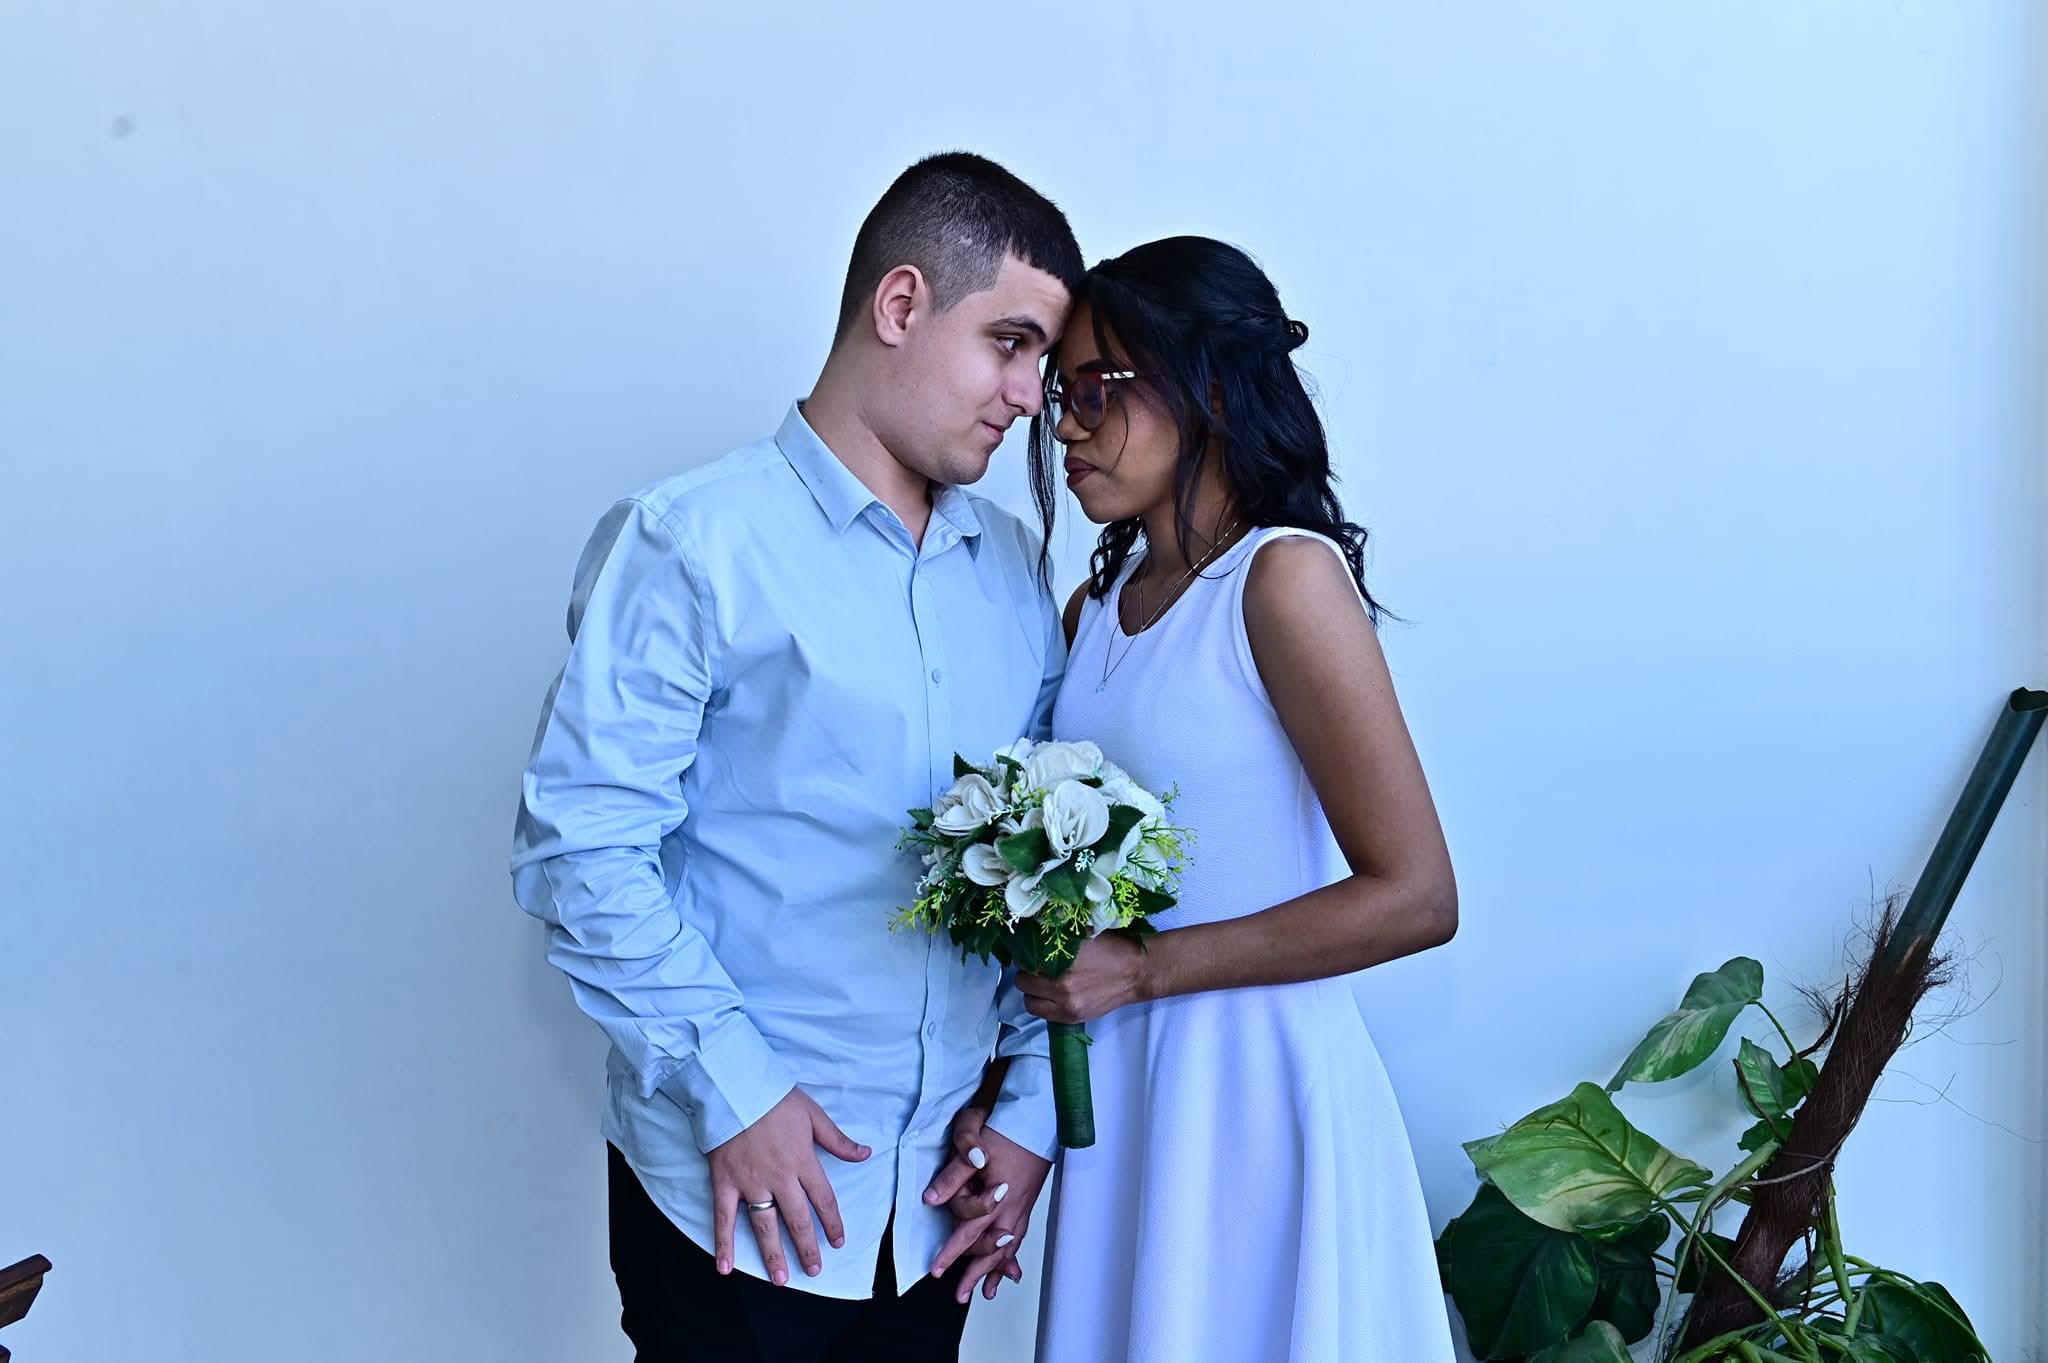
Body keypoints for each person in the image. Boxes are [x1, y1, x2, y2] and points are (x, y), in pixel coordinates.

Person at [510, 152, 1081, 1362]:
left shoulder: (1014, 572)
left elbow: (1051, 866)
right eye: (1011, 344)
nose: (1031, 395)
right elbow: (581, 851)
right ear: (900, 304)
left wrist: (1029, 1111)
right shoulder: (690, 542)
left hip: (932, 1211)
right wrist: (739, 1093)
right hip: (737, 1201)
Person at [1021, 235, 1459, 1361]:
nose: (1064, 423)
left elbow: (1414, 895)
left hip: (1255, 1097)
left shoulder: (1281, 579)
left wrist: (1146, 967)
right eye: (1056, 393)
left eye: (1094, 389)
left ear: (1205, 385)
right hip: (1128, 1098)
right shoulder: (1093, 605)